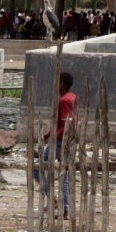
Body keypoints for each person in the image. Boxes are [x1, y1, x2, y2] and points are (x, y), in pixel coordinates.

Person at [40, 70, 75, 214]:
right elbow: (62, 123)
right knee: (63, 173)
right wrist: (49, 134)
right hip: (65, 140)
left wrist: (53, 137)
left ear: (62, 84)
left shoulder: (64, 101)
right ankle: (65, 207)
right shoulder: (72, 97)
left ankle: (55, 200)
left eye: (57, 82)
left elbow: (67, 124)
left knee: (39, 168)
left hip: (60, 142)